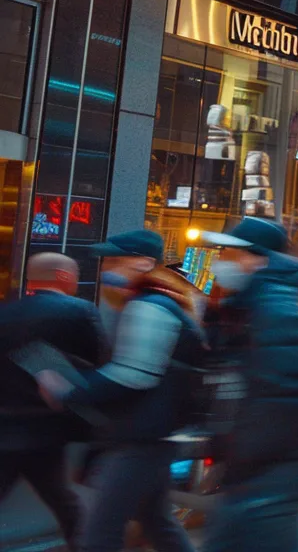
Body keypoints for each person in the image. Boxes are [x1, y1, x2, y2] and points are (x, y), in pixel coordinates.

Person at [33, 230, 203, 552]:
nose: (105, 270)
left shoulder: (149, 306)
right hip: (153, 435)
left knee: (100, 532)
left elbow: (134, 374)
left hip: (140, 439)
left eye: (114, 260)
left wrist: (68, 389)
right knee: (157, 523)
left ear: (144, 263)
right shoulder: (164, 302)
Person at [199, 218, 298, 552]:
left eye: (230, 253)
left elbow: (284, 389)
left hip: (281, 455)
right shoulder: (250, 302)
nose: (221, 261)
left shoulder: (272, 306)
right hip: (269, 454)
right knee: (261, 532)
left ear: (258, 259)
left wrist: (244, 457)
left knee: (249, 529)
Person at [0, 253, 103, 546]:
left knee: (61, 499)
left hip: (6, 425)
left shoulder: (6, 313)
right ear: (63, 276)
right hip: (48, 426)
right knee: (64, 502)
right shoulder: (80, 311)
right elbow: (94, 365)